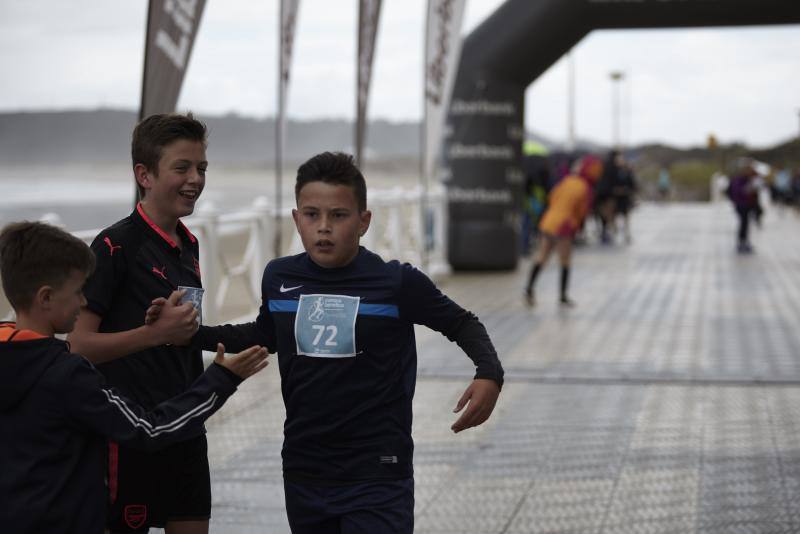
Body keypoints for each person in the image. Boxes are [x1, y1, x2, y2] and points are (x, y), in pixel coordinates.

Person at [149, 151, 504, 534]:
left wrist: (490, 373)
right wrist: (189, 334)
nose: (323, 228)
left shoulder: (396, 283)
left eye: (338, 215)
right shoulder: (279, 276)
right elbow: (264, 335)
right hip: (305, 467)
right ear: (296, 218)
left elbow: (462, 323)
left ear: (364, 221)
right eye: (312, 214)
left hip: (378, 470)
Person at [0, 221, 268, 534]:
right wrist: (221, 380)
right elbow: (149, 428)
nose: (85, 302)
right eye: (78, 292)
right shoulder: (68, 374)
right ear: (45, 298)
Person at [68, 113, 223, 534]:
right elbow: (78, 345)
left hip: (186, 424)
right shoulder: (115, 244)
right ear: (145, 174)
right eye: (182, 168)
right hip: (130, 433)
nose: (195, 179)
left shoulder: (188, 243)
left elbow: (184, 336)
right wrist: (153, 335)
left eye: (202, 168)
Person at [524, 155, 603, 307]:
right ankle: (562, 296)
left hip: (548, 221)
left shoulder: (566, 181)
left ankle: (529, 289)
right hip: (564, 225)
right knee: (565, 260)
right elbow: (582, 211)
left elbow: (552, 197)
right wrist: (578, 226)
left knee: (542, 255)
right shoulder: (585, 188)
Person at [727, 159, 759, 253]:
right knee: (743, 224)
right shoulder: (739, 179)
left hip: (748, 204)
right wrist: (748, 190)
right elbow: (738, 192)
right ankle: (741, 243)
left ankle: (745, 242)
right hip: (741, 205)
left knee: (746, 224)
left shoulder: (750, 178)